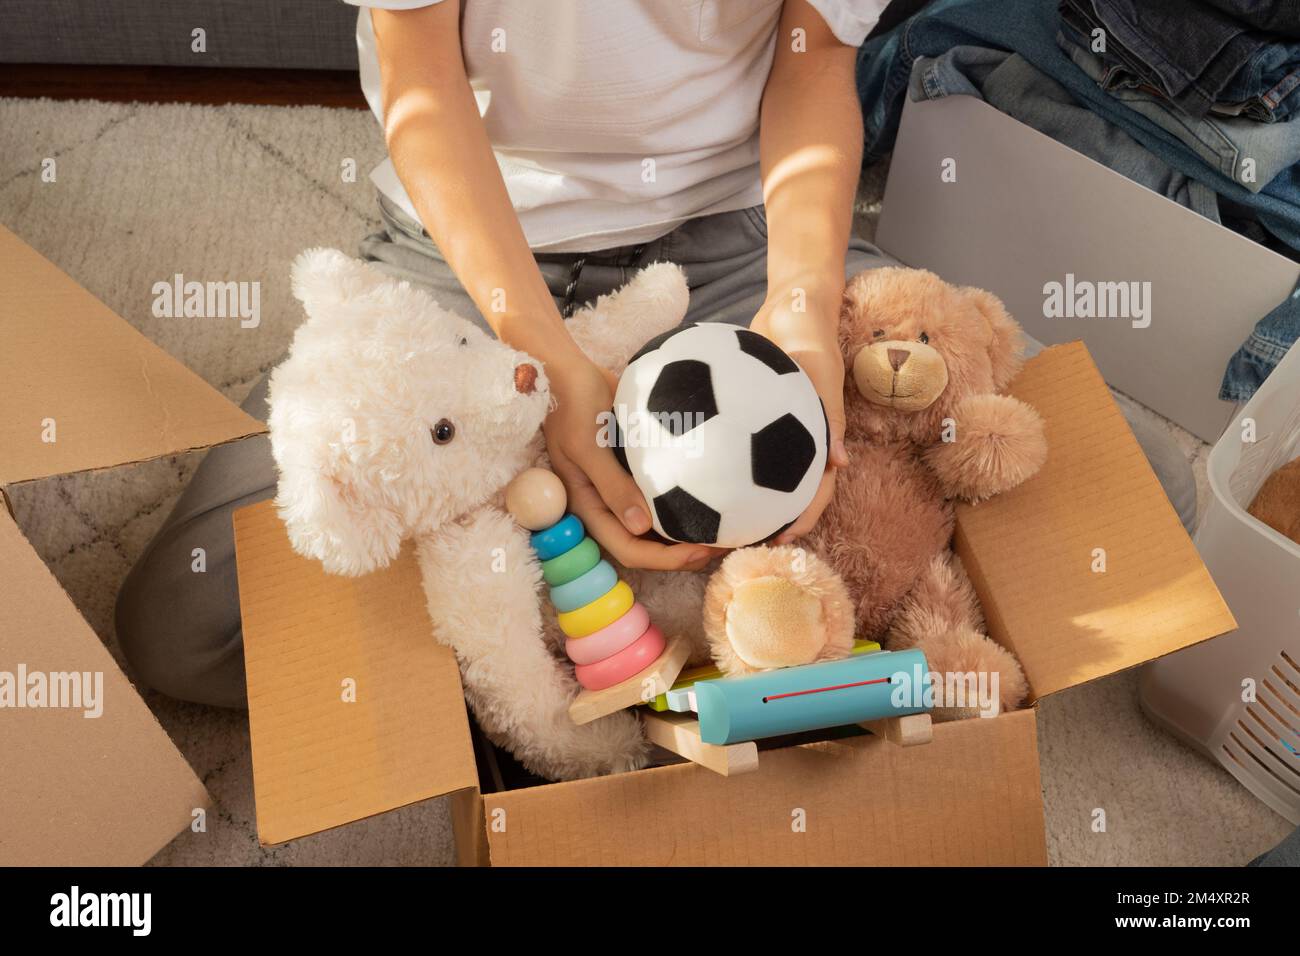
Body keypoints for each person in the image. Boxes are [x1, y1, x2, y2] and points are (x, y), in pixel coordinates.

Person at [115, 0, 1195, 709]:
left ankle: (618, 601)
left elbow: (815, 58)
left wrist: (804, 307)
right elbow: (418, 74)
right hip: (461, 258)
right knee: (182, 619)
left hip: (726, 242)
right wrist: (539, 362)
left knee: (1127, 505)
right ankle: (576, 621)